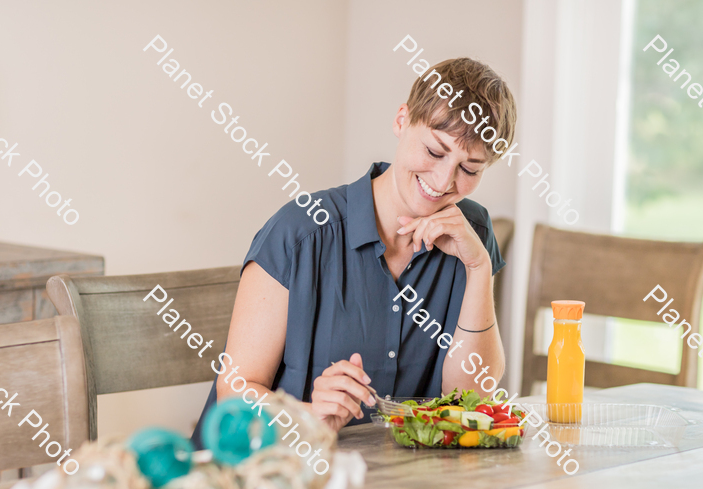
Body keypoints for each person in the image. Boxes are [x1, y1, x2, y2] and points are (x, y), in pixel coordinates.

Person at [192, 57, 517, 445]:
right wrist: (310, 416)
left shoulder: (472, 234)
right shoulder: (299, 234)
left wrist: (478, 266)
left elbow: (472, 398)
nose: (444, 180)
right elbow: (236, 394)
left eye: (470, 169)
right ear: (402, 120)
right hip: (262, 478)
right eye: (434, 151)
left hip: (389, 485)